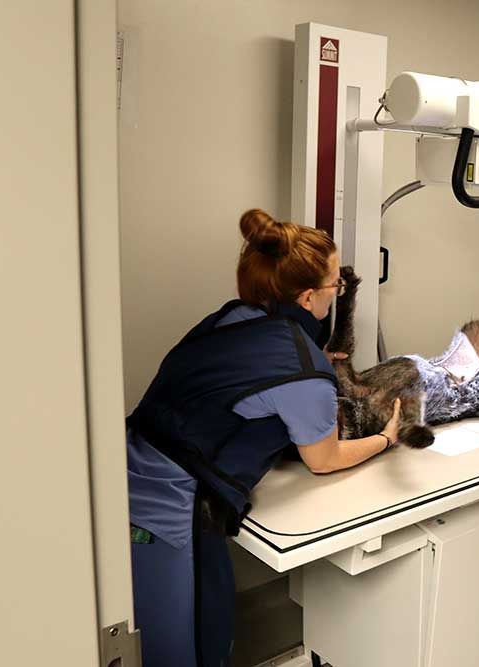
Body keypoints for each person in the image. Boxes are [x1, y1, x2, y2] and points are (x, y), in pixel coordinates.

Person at [125, 209, 401, 666]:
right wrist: (387, 439)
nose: (338, 294)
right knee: (192, 646)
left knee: (151, 634)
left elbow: (234, 386)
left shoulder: (231, 317)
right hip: (176, 511)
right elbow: (324, 459)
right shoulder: (303, 370)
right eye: (336, 285)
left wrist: (310, 372)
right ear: (310, 295)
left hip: (126, 474)